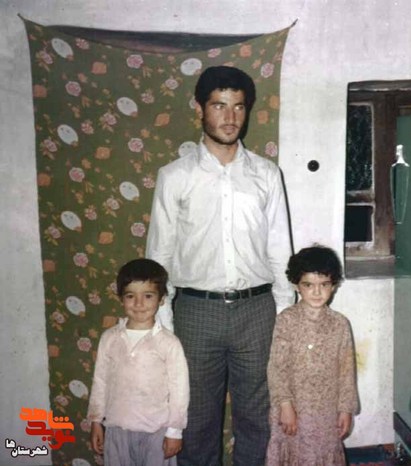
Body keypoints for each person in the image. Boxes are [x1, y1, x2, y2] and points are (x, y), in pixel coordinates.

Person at [146, 65, 293, 466]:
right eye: (219, 106)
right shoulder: (175, 177)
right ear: (200, 109)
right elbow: (159, 255)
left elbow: (280, 249)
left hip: (257, 311)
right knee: (196, 420)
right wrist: (165, 322)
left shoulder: (267, 174)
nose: (230, 117)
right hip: (196, 312)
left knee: (258, 418)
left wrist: (283, 314)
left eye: (238, 107)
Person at [87, 258, 189, 466]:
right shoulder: (110, 338)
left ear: (161, 299)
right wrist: (96, 421)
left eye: (148, 296)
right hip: (117, 431)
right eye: (130, 296)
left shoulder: (169, 343)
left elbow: (180, 391)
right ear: (121, 299)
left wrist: (174, 432)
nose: (139, 304)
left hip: (156, 433)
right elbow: (100, 382)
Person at [266, 245, 359, 465]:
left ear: (333, 285)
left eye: (324, 285)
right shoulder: (286, 320)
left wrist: (345, 409)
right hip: (293, 407)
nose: (317, 292)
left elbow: (347, 372)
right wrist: (285, 405)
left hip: (326, 409)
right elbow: (277, 368)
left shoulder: (340, 324)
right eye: (308, 285)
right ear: (296, 285)